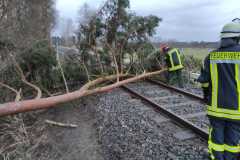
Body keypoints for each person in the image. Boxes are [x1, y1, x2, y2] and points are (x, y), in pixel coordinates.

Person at [197, 18, 240, 160]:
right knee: (233, 139)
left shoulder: (211, 56)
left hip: (216, 108)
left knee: (216, 138)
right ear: (237, 37)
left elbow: (204, 82)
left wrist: (206, 96)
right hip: (237, 110)